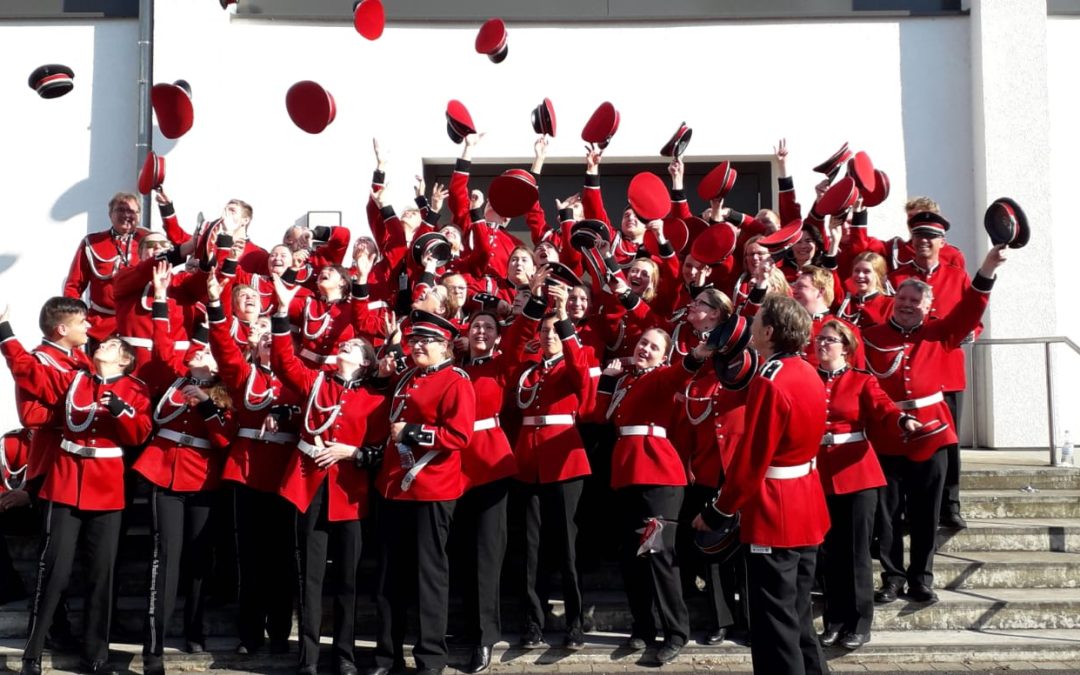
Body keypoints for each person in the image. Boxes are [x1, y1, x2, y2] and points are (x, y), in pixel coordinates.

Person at [1, 306, 152, 675]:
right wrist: (4, 330)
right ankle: (33, 653)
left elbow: (139, 433)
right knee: (53, 570)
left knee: (102, 574)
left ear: (125, 360)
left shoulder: (135, 389)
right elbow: (28, 371)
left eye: (113, 344)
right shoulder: (74, 379)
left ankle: (96, 655)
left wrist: (121, 409)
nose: (102, 343)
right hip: (65, 481)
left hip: (107, 486)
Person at [693, 295, 830, 675]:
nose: (750, 326)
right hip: (806, 505)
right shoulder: (808, 371)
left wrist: (718, 512)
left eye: (756, 321)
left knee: (774, 626)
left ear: (769, 331)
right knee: (798, 618)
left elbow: (753, 459)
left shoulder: (771, 380)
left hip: (775, 512)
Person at [865, 245, 1007, 605]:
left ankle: (921, 578)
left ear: (928, 306)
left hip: (933, 434)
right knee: (887, 514)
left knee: (926, 512)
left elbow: (972, 305)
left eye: (915, 301)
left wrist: (988, 268)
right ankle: (892, 578)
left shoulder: (941, 332)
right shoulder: (872, 337)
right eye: (902, 299)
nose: (906, 305)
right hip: (888, 434)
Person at [272, 275, 389, 675]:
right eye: (344, 345)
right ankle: (308, 657)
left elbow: (381, 451)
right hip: (310, 487)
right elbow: (284, 362)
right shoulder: (317, 381)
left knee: (348, 580)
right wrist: (281, 311)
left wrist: (352, 452)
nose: (344, 347)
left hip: (349, 492)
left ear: (367, 362)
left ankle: (344, 654)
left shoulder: (375, 400)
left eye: (353, 347)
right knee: (310, 578)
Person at [136, 263, 236, 674]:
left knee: (198, 559)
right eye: (196, 348)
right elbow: (162, 346)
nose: (198, 350)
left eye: (206, 349)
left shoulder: (226, 392)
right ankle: (154, 645)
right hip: (164, 470)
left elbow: (225, 440)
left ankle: (195, 628)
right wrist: (160, 298)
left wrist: (208, 404)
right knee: (165, 558)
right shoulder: (174, 379)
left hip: (202, 477)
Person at [596, 328, 714, 664]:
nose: (645, 349)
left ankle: (676, 632)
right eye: (643, 343)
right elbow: (598, 414)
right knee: (632, 556)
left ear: (664, 356)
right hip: (627, 474)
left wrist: (696, 355)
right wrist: (607, 379)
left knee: (658, 554)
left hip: (658, 477)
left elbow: (680, 373)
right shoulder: (626, 381)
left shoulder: (662, 376)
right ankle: (643, 626)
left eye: (654, 346)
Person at [370, 310, 475, 675]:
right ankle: (387, 655)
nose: (416, 346)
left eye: (424, 341)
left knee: (429, 577)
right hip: (394, 487)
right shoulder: (407, 377)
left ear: (445, 346)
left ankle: (430, 657)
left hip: (431, 487)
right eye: (413, 340)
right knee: (389, 577)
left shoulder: (456, 381)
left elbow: (459, 436)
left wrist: (412, 432)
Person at [205, 274, 298, 656]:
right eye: (263, 340)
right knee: (252, 558)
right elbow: (224, 351)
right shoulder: (246, 375)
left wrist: (289, 412)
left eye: (274, 339)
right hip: (247, 472)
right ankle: (250, 634)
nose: (268, 343)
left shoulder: (296, 379)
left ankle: (280, 632)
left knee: (282, 558)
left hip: (285, 475)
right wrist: (215, 305)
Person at [813, 320, 919, 651]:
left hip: (857, 472)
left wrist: (903, 419)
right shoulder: (809, 378)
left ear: (845, 347)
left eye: (829, 340)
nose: (822, 345)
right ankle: (834, 621)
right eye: (819, 339)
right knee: (829, 552)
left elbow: (884, 406)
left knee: (856, 551)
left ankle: (859, 622)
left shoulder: (861, 380)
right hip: (820, 473)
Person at [509, 284, 594, 650]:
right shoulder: (528, 370)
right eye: (544, 331)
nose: (549, 336)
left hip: (564, 462)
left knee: (568, 548)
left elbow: (581, 375)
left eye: (554, 331)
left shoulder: (573, 361)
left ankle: (575, 622)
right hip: (529, 462)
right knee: (531, 548)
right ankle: (533, 621)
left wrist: (565, 324)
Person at [63, 193, 149, 347]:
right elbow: (74, 285)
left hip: (138, 326)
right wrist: (74, 322)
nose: (126, 215)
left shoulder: (150, 242)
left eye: (131, 211)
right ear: (110, 214)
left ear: (139, 215)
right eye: (120, 210)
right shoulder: (92, 242)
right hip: (101, 327)